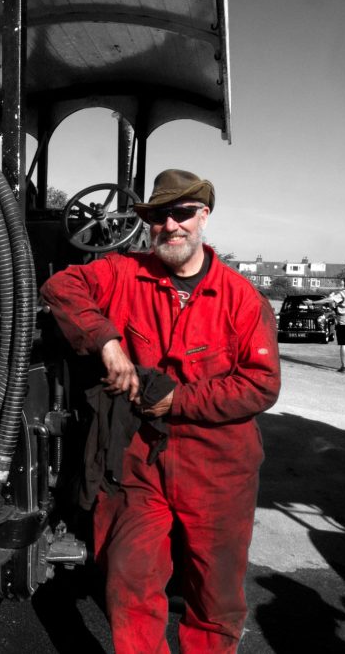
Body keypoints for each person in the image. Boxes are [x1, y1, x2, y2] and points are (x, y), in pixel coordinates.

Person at [41, 169, 281, 653]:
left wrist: (180, 401)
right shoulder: (124, 273)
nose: (170, 225)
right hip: (141, 460)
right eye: (158, 216)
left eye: (182, 213)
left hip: (218, 466)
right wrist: (107, 342)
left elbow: (261, 385)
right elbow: (60, 286)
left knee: (214, 596)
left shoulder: (242, 299)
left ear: (203, 216)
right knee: (129, 578)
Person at [307, 277, 345, 374]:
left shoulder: (343, 293)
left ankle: (344, 367)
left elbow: (329, 300)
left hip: (344, 322)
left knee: (344, 344)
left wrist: (313, 302)